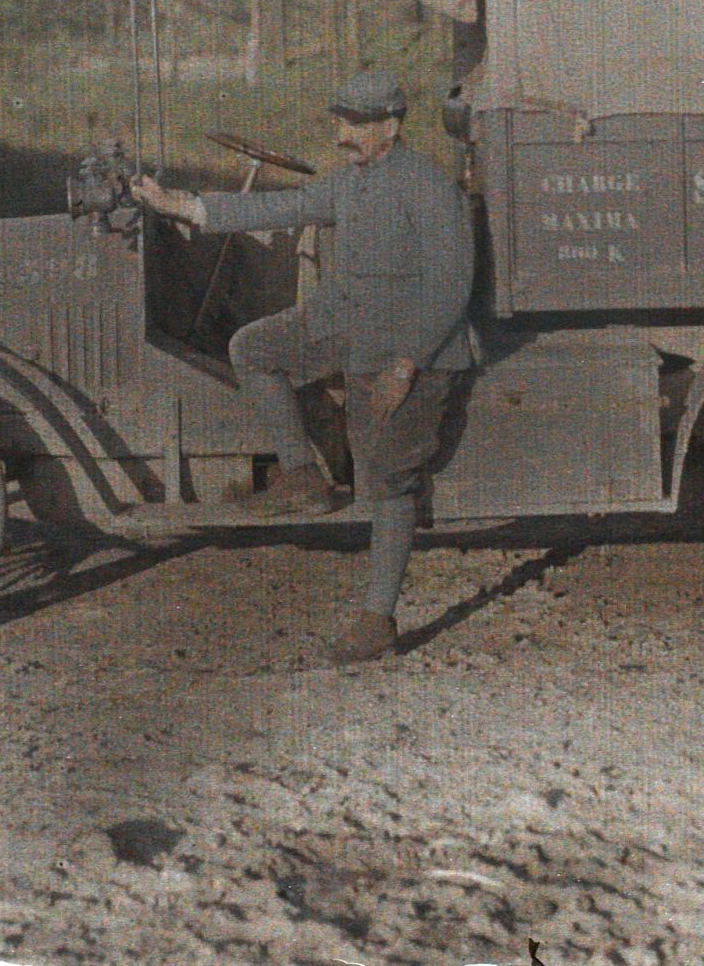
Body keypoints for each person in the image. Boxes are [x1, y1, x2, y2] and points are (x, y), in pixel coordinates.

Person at [129, 69, 475, 663]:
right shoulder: (351, 183)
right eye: (339, 119)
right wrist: (181, 205)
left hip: (404, 348)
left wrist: (405, 366)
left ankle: (377, 618)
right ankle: (302, 477)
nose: (341, 131)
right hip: (346, 326)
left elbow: (452, 286)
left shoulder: (428, 187)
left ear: (389, 127)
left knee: (387, 482)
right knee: (251, 349)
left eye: (353, 122)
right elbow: (283, 204)